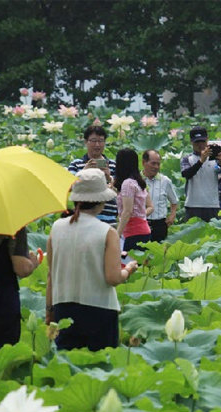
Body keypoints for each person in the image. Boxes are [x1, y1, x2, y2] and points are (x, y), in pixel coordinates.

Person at [46, 169, 138, 350]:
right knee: (100, 369)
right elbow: (112, 278)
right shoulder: (107, 232)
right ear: (101, 200)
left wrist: (49, 313)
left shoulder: (56, 227)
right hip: (100, 311)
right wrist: (128, 270)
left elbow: (51, 275)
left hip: (62, 309)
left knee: (69, 369)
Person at [180, 126, 221, 222]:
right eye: (197, 142)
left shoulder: (215, 159)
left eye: (202, 141)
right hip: (193, 205)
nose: (200, 145)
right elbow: (186, 174)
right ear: (191, 142)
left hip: (212, 205)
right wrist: (201, 161)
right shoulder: (187, 159)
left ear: (207, 140)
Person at [68, 125, 118, 224]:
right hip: (83, 219)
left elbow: (119, 193)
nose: (97, 145)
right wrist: (83, 172)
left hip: (109, 219)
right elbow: (68, 188)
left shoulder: (113, 165)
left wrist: (108, 177)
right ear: (86, 142)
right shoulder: (76, 164)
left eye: (101, 141)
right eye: (93, 141)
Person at [114, 148, 153, 252]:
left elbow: (127, 211)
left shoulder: (127, 184)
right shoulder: (138, 182)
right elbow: (150, 207)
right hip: (143, 230)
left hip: (133, 233)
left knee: (129, 265)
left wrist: (117, 234)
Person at [142, 149, 178, 242]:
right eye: (153, 163)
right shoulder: (136, 180)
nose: (156, 167)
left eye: (158, 164)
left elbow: (174, 201)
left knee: (158, 254)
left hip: (160, 225)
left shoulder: (165, 181)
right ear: (143, 162)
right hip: (141, 223)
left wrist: (172, 215)